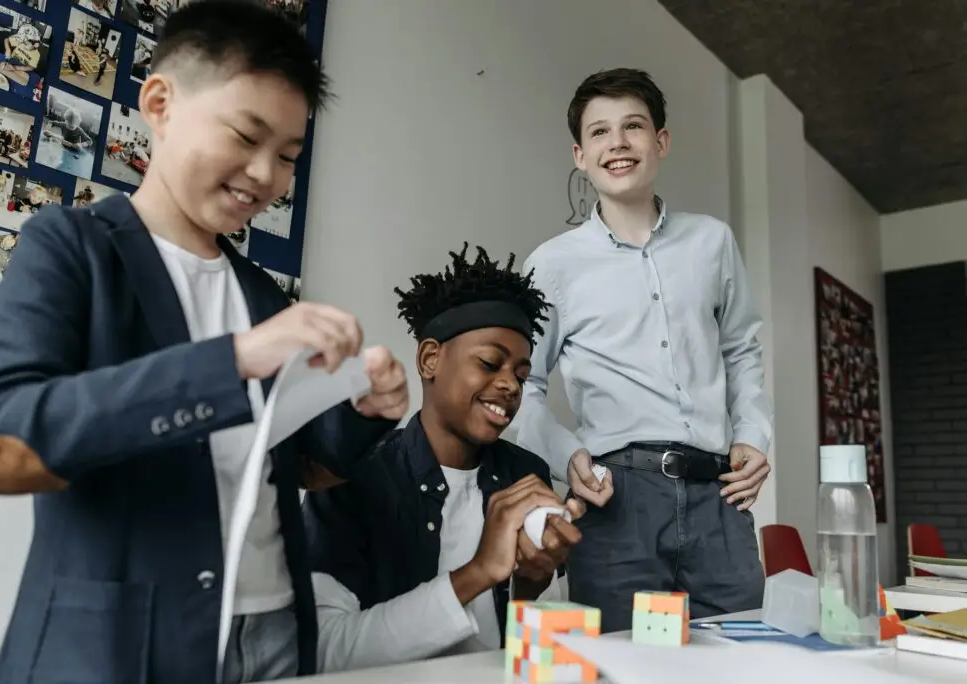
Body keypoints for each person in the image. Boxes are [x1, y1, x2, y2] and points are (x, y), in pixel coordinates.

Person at [0, 3, 409, 683]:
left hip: (277, 632)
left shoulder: (261, 293)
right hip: (123, 645)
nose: (267, 175)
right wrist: (232, 362)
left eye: (288, 157)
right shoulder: (71, 247)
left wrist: (363, 413)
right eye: (246, 136)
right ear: (160, 104)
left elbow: (298, 469)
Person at [516, 68, 773, 631]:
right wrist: (564, 453)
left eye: (633, 126)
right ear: (580, 155)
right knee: (620, 662)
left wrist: (753, 433)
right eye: (600, 132)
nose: (618, 143)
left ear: (661, 141)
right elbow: (522, 384)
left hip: (718, 496)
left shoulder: (713, 241)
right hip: (616, 500)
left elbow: (741, 349)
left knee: (745, 657)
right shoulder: (552, 265)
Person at [303, 244, 584, 673]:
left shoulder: (526, 475)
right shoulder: (351, 477)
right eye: (490, 363)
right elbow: (325, 652)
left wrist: (530, 586)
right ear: (430, 359)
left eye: (522, 375)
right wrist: (481, 570)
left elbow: (542, 649)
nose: (511, 386)